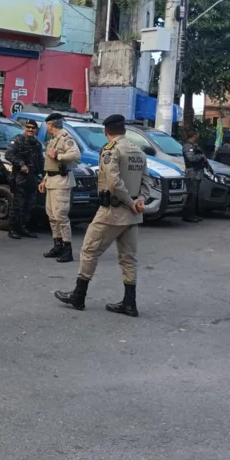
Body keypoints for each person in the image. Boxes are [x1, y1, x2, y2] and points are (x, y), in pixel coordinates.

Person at [55, 114, 146, 317]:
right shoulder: (138, 151)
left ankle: (78, 296)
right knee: (129, 258)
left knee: (89, 250)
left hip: (113, 211)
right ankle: (130, 303)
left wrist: (131, 203)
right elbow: (146, 183)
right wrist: (140, 201)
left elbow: (113, 182)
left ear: (107, 132)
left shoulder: (110, 150)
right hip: (132, 215)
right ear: (124, 130)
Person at [38, 114, 81, 263]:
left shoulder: (65, 137)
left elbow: (76, 153)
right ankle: (57, 245)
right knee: (51, 215)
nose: (46, 128)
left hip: (61, 182)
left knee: (61, 216)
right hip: (51, 180)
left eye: (47, 125)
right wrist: (45, 179)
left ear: (51, 125)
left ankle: (67, 249)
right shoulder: (54, 139)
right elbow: (50, 163)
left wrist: (58, 155)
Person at [5, 119, 43, 239]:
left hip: (32, 177)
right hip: (20, 177)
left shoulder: (37, 144)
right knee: (18, 205)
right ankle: (12, 229)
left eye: (33, 128)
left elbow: (40, 161)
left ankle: (23, 228)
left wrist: (43, 175)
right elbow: (9, 154)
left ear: (36, 130)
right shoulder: (17, 140)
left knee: (29, 204)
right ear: (25, 128)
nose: (30, 130)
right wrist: (21, 164)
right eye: (28, 127)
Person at [182, 128, 206, 224]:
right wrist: (202, 156)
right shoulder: (188, 146)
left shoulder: (194, 145)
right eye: (197, 135)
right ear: (194, 135)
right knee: (191, 194)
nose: (198, 136)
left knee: (195, 195)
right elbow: (191, 158)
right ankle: (188, 215)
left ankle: (194, 214)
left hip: (197, 172)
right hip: (192, 173)